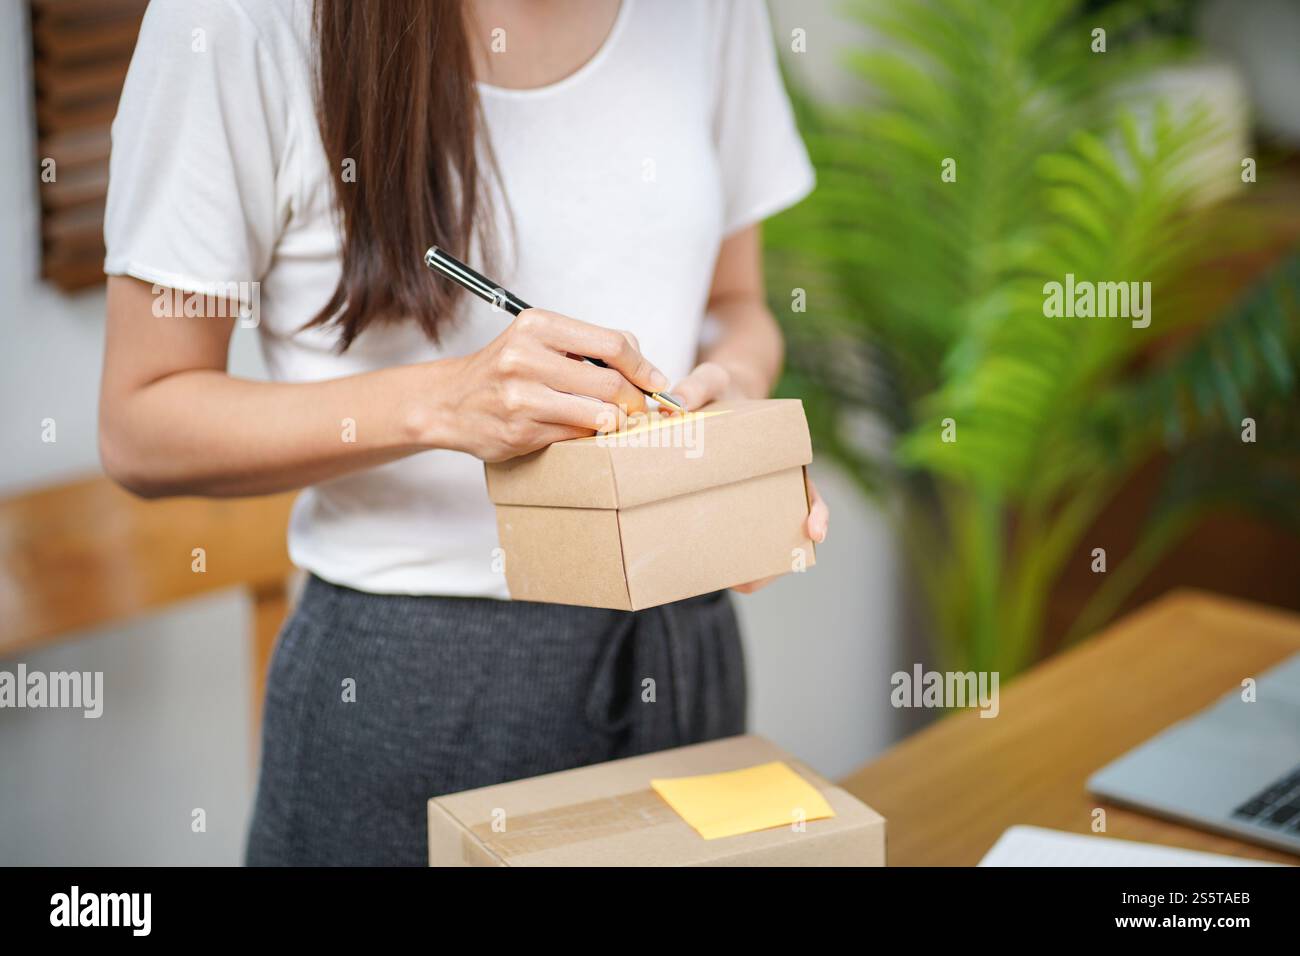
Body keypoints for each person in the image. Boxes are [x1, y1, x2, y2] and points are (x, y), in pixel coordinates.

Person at [99, 0, 829, 866]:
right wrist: (444, 403)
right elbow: (140, 422)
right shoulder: (238, 23)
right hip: (415, 688)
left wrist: (734, 396)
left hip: (682, 644)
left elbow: (736, 308)